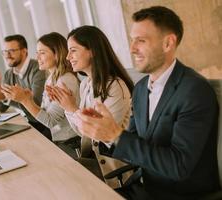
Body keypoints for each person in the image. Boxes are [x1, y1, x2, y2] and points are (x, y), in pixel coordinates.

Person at [76, 6, 220, 200]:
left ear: (168, 43)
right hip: (145, 187)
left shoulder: (194, 91)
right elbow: (135, 145)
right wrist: (107, 133)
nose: (132, 48)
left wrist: (116, 135)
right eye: (132, 40)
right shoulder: (142, 88)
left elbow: (179, 166)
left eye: (141, 41)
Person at [47, 25, 134, 188]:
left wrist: (72, 108)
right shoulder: (86, 84)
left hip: (111, 166)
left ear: (92, 51)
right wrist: (67, 107)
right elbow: (82, 133)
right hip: (92, 159)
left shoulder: (115, 86)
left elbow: (99, 135)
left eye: (73, 50)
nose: (67, 57)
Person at [0, 32, 80, 157]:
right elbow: (44, 113)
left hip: (71, 144)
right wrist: (28, 99)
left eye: (42, 53)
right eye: (37, 53)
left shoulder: (65, 80)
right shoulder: (51, 78)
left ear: (57, 54)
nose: (37, 58)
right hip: (59, 141)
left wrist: (25, 101)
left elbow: (50, 121)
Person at [0, 34, 48, 138]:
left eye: (12, 51)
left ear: (24, 51)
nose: (7, 55)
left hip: (43, 125)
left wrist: (4, 97)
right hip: (27, 123)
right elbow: (1, 108)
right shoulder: (9, 74)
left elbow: (36, 103)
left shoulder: (38, 69)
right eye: (5, 52)